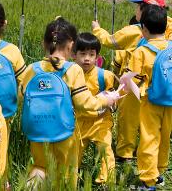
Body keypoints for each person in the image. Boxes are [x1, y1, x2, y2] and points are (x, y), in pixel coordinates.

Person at [20, 17, 120, 188]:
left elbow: (21, 96)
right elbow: (85, 103)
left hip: (37, 131)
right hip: (64, 132)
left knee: (39, 167)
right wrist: (106, 100)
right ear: (71, 45)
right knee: (66, 173)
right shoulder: (72, 69)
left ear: (44, 43)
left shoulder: (32, 69)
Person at [92, 0, 171, 162]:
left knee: (128, 118)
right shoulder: (169, 27)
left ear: (146, 10)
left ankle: (125, 152)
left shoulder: (135, 31)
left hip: (134, 83)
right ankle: (151, 154)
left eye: (138, 6)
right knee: (153, 124)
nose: (136, 10)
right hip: (161, 87)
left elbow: (109, 41)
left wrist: (97, 30)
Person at [124, 4, 171, 190]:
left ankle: (148, 180)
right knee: (165, 136)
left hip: (150, 102)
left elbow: (129, 79)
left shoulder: (141, 52)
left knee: (149, 138)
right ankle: (159, 172)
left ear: (143, 28)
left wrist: (139, 94)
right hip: (170, 100)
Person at [72, 33, 116, 184]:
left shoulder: (105, 76)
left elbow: (113, 96)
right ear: (74, 55)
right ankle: (71, 178)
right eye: (82, 54)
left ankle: (106, 180)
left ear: (97, 56)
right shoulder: (70, 75)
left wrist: (113, 101)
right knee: (74, 153)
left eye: (91, 54)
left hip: (100, 121)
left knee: (105, 150)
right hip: (79, 122)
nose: (87, 58)